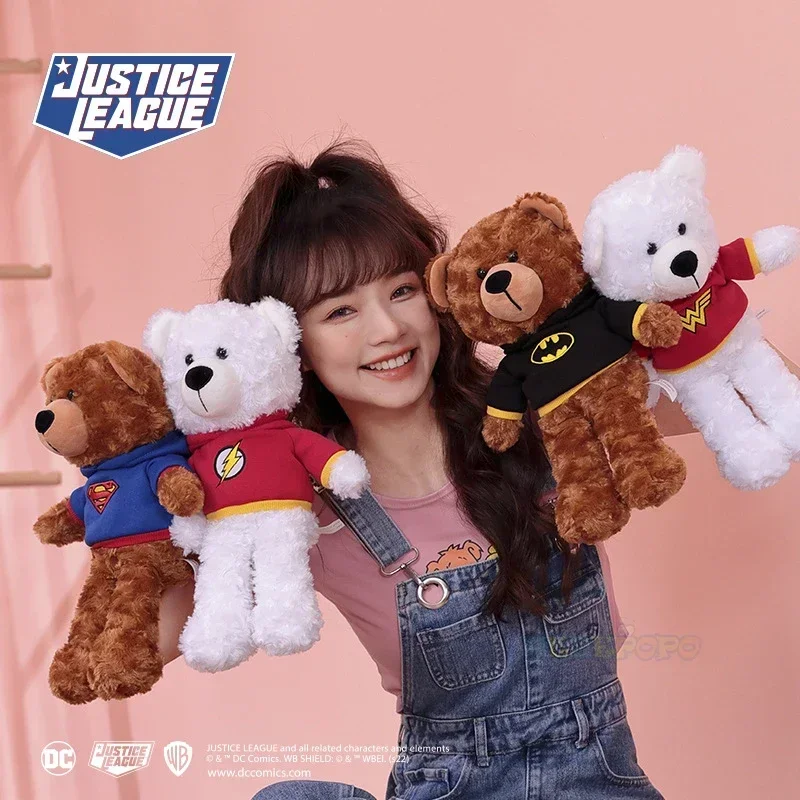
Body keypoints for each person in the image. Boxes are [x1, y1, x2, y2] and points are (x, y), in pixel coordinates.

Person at [159, 138, 668, 798]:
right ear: (290, 346)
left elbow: (761, 390)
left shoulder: (546, 405)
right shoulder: (295, 506)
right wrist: (158, 467)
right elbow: (152, 638)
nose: (387, 330)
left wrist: (646, 308)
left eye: (401, 290)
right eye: (341, 311)